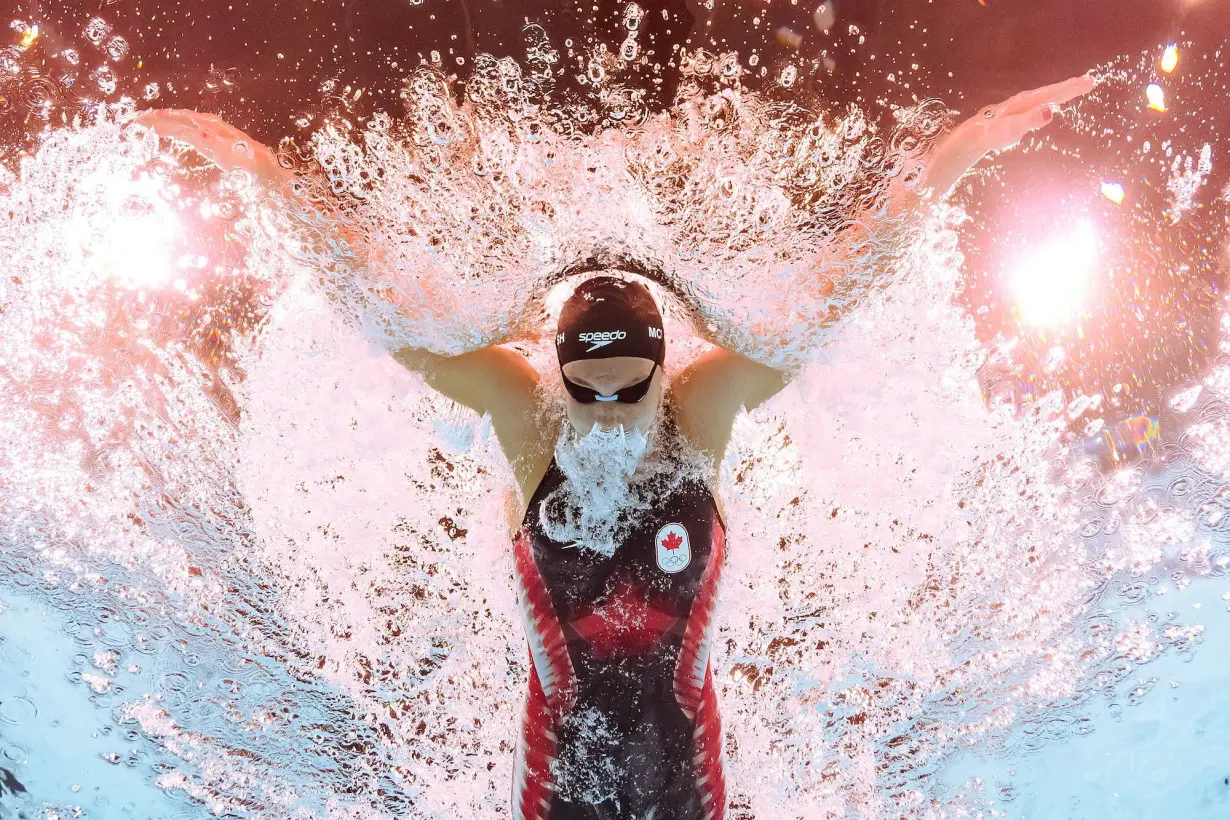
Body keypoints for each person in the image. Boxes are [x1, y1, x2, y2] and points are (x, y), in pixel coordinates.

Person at [136, 71, 1094, 820]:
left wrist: (957, 157)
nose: (602, 414)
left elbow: (827, 313)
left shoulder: (700, 414)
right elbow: (394, 328)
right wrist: (271, 181)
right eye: (582, 389)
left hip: (692, 786)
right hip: (553, 789)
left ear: (660, 366)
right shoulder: (528, 420)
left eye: (623, 389)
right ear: (556, 369)